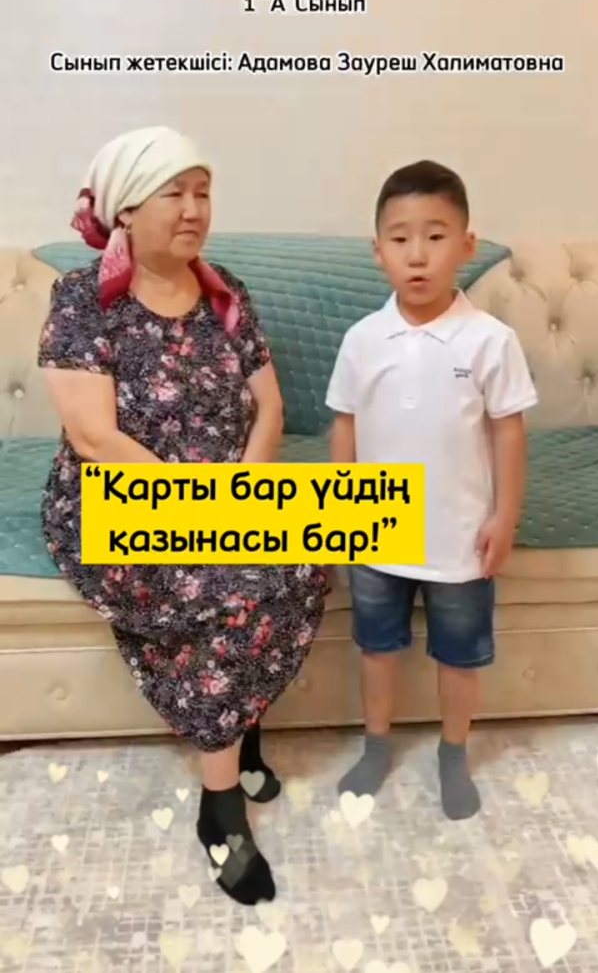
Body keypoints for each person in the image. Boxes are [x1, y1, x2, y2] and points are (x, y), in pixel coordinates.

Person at [37, 125, 328, 904]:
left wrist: (243, 494)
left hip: (225, 491)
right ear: (128, 208)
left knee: (307, 559)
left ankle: (242, 722)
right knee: (229, 589)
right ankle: (220, 807)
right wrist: (204, 513)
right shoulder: (84, 299)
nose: (196, 208)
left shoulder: (225, 290)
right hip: (118, 499)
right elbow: (94, 438)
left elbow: (270, 407)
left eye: (204, 192)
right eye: (176, 193)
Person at [325, 160, 537, 820]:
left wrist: (505, 516)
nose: (417, 254)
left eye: (436, 236)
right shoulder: (363, 340)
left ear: (467, 245)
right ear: (378, 250)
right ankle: (376, 745)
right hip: (377, 535)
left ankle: (453, 752)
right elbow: (345, 426)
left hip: (460, 537)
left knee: (459, 656)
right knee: (376, 648)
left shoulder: (490, 341)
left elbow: (508, 433)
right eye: (400, 238)